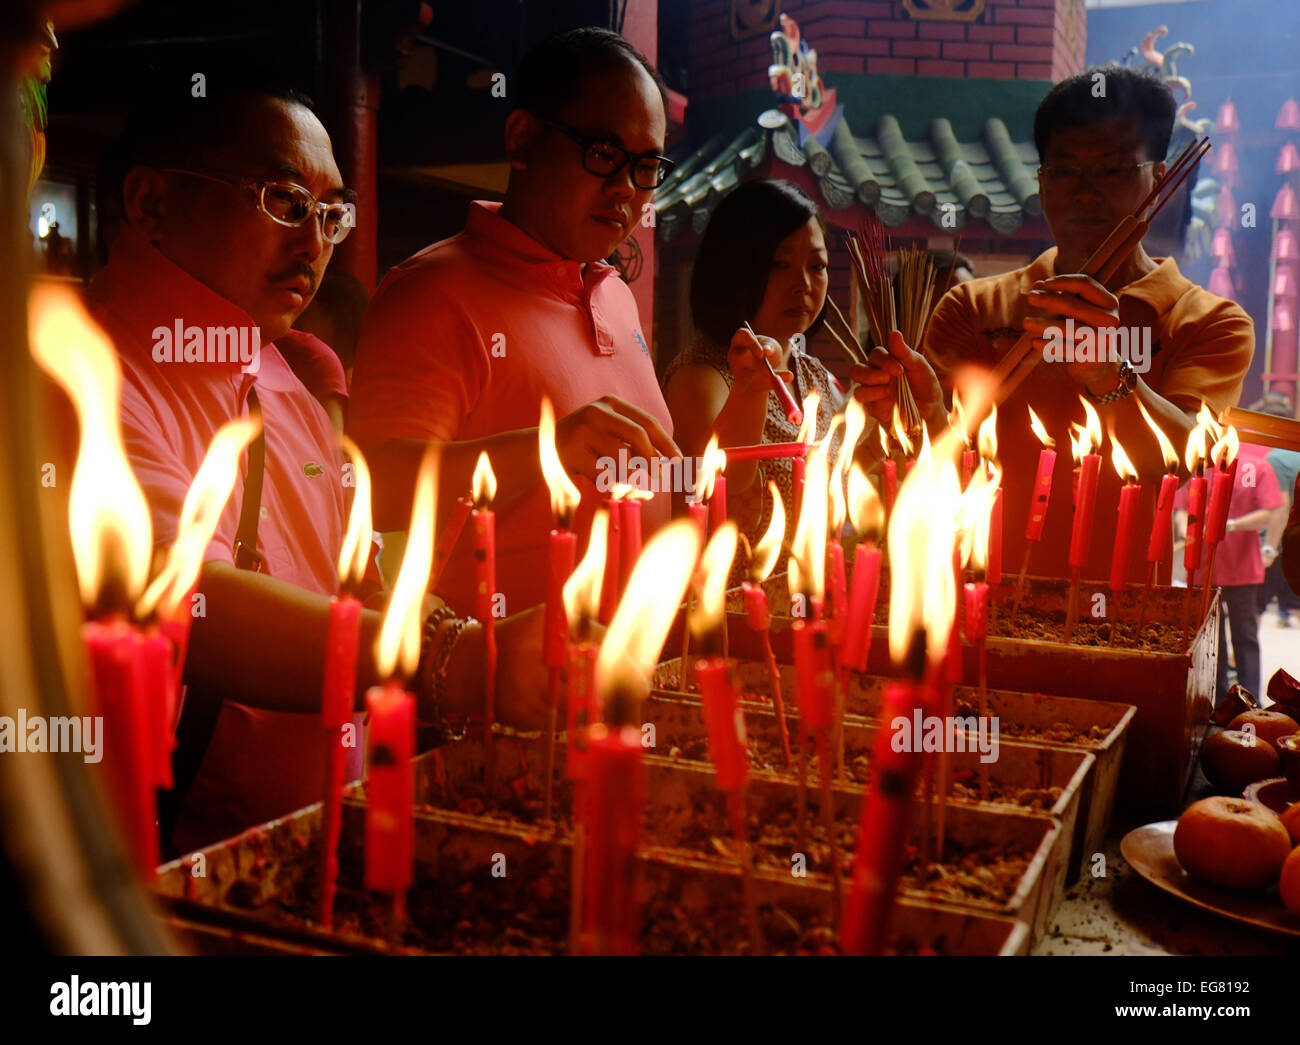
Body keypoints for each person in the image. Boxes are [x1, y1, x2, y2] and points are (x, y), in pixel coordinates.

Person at [88, 74, 549, 853]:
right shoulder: (81, 377)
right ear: (152, 202)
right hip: (162, 881)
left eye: (330, 214)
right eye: (282, 200)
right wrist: (455, 661)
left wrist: (480, 640)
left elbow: (355, 575)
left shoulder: (278, 377)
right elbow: (175, 597)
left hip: (310, 849)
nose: (315, 245)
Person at [853, 66, 1254, 586]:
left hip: (1126, 609)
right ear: (1041, 184)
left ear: (1158, 181)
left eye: (1112, 171)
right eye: (1064, 171)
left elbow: (1188, 464)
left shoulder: (1208, 322)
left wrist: (1113, 376)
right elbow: (940, 466)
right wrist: (921, 412)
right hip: (981, 594)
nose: (1085, 193)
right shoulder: (975, 308)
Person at [349, 28, 680, 615]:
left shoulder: (613, 294)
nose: (626, 189)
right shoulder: (432, 294)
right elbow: (373, 489)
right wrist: (547, 449)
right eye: (603, 155)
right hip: (499, 689)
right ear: (523, 140)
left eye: (646, 165)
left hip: (639, 676)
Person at [661, 179, 848, 543]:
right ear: (735, 268)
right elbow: (719, 491)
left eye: (817, 265)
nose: (804, 284)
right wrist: (749, 394)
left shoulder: (813, 374)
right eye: (780, 264)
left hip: (811, 592)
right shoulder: (703, 377)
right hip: (733, 596)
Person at [1173, 442, 1283, 699]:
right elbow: (1180, 511)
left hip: (1241, 567)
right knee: (1211, 639)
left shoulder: (1254, 468)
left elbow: (1269, 512)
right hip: (1203, 568)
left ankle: (1249, 697)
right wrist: (1186, 529)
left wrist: (1232, 525)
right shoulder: (1195, 468)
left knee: (1245, 635)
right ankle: (1217, 696)